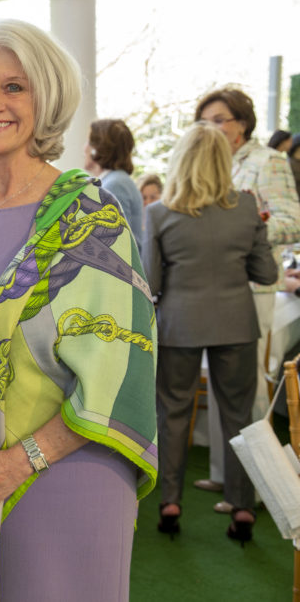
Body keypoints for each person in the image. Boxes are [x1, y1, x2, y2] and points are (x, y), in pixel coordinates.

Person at [0, 20, 157, 602]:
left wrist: (18, 462)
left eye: (14, 87)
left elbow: (122, 373)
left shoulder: (88, 216)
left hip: (65, 479)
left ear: (45, 98)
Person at [143, 121, 277, 546]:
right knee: (239, 416)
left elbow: (151, 282)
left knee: (173, 413)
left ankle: (170, 501)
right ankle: (241, 506)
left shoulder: (159, 213)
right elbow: (266, 272)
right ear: (225, 162)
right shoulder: (247, 207)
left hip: (178, 324)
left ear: (179, 161)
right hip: (236, 322)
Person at [193, 87, 300, 504]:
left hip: (253, 286)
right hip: (210, 288)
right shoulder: (206, 164)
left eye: (220, 120)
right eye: (205, 122)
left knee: (247, 388)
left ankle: (254, 488)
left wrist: (243, 232)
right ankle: (224, 475)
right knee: (222, 386)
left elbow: (293, 221)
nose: (213, 128)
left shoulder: (268, 161)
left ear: (242, 123)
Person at [83, 118, 145, 247]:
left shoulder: (114, 185)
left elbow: (115, 242)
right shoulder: (116, 181)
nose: (84, 148)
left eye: (89, 142)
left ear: (97, 149)